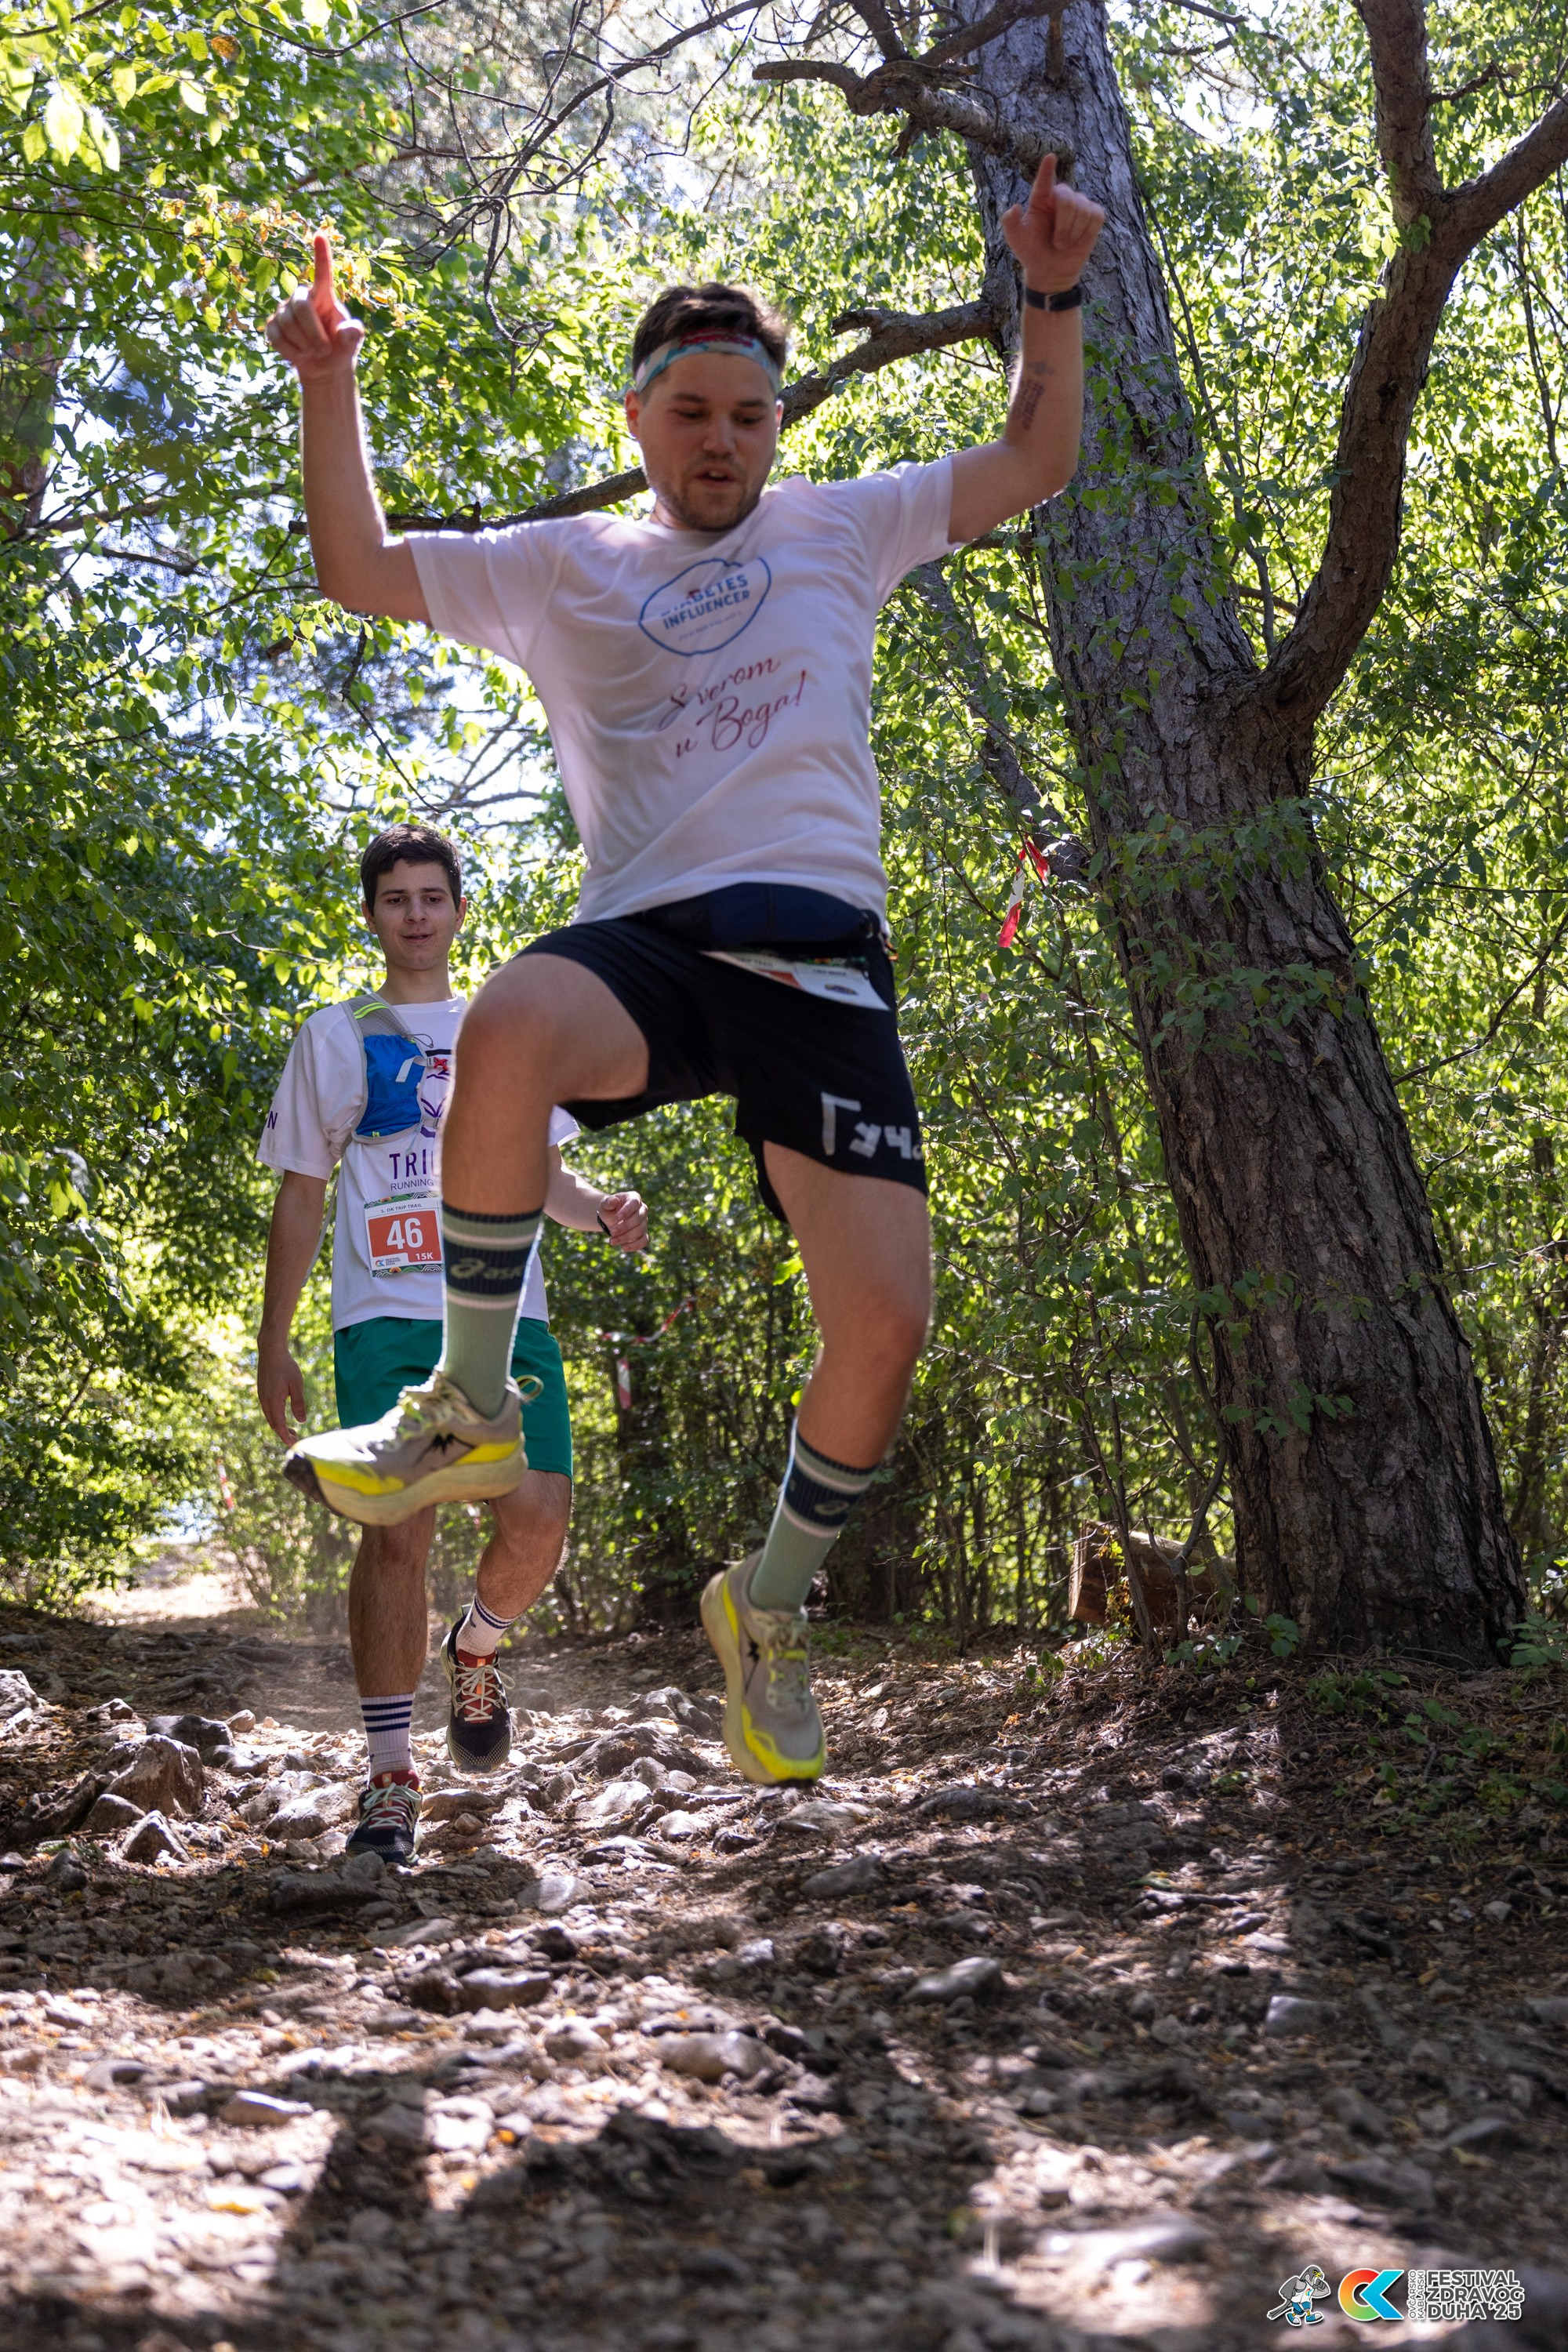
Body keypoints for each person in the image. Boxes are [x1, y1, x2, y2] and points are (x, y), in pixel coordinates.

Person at [265, 154, 1105, 1789]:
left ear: (776, 426)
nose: (725, 440)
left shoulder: (840, 526)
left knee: (882, 1329)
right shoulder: (564, 563)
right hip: (646, 943)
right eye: (694, 412)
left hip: (816, 956)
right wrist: (331, 378)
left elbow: (1033, 456)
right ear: (641, 420)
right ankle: (467, 1399)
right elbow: (358, 567)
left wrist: (1051, 295)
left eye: (751, 414)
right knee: (507, 1018)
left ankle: (767, 1607)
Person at [256, 822, 648, 1858]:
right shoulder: (335, 1037)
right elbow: (302, 1194)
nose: (417, 915)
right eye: (397, 899)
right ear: (374, 914)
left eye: (434, 896)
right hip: (383, 1314)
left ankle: (474, 1649)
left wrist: (598, 1208)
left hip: (505, 1308)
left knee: (539, 1520)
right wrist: (273, 1340)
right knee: (399, 1526)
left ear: (459, 910)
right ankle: (390, 1780)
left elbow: (544, 1175)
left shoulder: (505, 1031)